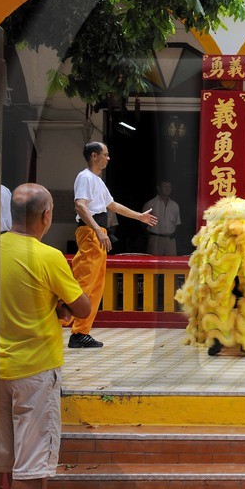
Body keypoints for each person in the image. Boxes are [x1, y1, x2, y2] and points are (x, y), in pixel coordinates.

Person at [0, 185, 91, 489]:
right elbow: (83, 306)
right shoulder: (48, 256)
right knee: (31, 463)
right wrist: (59, 304)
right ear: (46, 215)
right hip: (34, 371)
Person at [69, 141, 156, 349]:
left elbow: (112, 205)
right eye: (105, 155)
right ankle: (65, 324)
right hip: (91, 232)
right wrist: (97, 230)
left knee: (96, 284)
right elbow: (80, 206)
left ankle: (81, 332)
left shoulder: (97, 180)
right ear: (94, 156)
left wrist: (139, 217)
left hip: (97, 232)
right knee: (85, 282)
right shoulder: (85, 177)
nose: (108, 159)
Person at [143, 179, 181, 256]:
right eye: (165, 186)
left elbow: (177, 223)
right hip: (155, 239)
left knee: (171, 264)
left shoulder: (175, 205)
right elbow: (142, 223)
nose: (167, 189)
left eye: (169, 187)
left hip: (170, 240)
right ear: (158, 188)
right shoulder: (150, 204)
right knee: (154, 264)